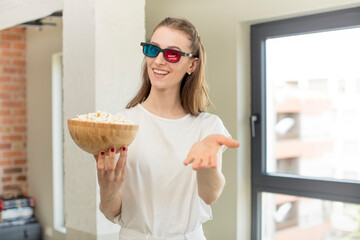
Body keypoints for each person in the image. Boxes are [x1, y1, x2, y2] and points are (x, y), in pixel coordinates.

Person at [94, 17, 239, 240]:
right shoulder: (120, 125)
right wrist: (107, 188)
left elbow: (210, 195)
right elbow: (110, 211)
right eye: (153, 50)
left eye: (172, 54)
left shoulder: (208, 127)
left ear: (192, 64)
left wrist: (206, 166)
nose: (159, 60)